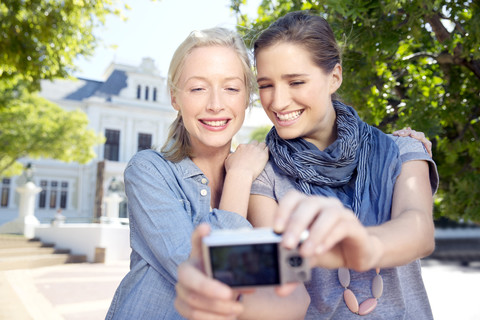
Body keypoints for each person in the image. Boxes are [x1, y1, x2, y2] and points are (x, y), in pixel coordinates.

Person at [175, 11, 438, 320]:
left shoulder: (402, 148)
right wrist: (225, 296)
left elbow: (418, 229)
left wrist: (364, 245)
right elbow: (285, 289)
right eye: (266, 85)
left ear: (335, 77)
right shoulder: (266, 173)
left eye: (296, 81)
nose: (278, 102)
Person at [106, 27, 309, 320]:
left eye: (231, 88)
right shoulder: (150, 170)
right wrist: (239, 176)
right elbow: (204, 276)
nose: (215, 104)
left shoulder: (264, 177)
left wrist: (391, 146)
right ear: (175, 98)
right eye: (198, 88)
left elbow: (290, 271)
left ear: (247, 98)